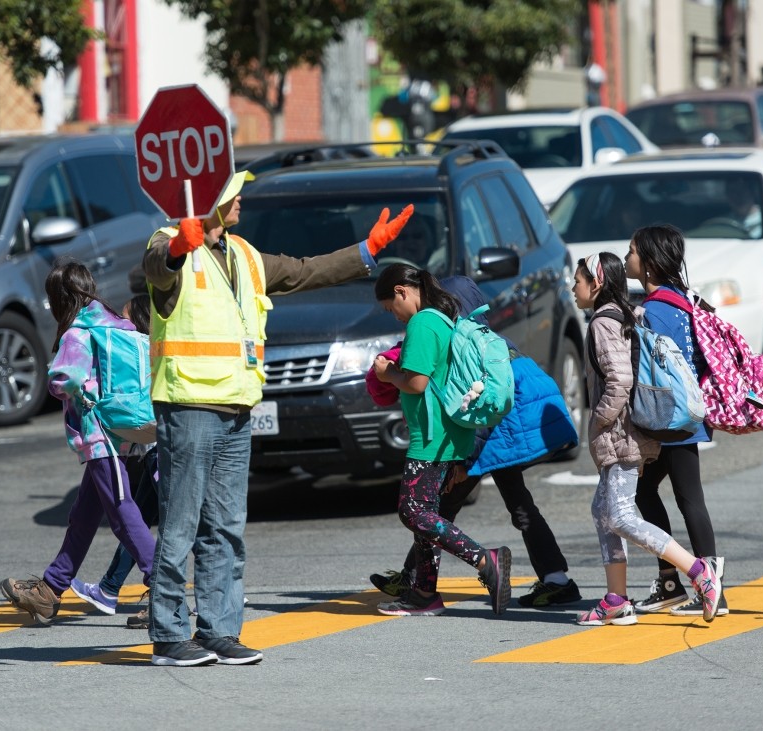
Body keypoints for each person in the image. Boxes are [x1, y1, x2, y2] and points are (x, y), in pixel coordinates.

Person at [143, 170, 414, 667]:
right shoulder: (168, 242)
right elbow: (160, 272)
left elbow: (307, 270)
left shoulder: (245, 255)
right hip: (188, 405)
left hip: (237, 406)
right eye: (233, 191)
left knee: (225, 527)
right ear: (212, 198)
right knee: (181, 526)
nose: (242, 198)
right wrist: (181, 247)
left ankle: (220, 631)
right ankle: (167, 636)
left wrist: (367, 251)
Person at [368, 276, 581, 612]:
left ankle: (420, 580)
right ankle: (556, 580)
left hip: (511, 417)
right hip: (528, 406)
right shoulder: (480, 337)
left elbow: (476, 414)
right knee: (482, 501)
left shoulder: (462, 344)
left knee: (448, 501)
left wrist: (464, 462)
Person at [0, 264, 157, 626]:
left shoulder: (78, 332)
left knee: (121, 511)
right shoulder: (117, 322)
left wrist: (55, 381)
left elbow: (67, 378)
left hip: (98, 435)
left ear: (60, 300)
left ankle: (163, 582)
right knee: (83, 516)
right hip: (120, 429)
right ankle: (51, 590)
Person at [573, 252, 721, 626]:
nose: (572, 287)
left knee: (620, 515)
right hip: (625, 434)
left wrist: (600, 421)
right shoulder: (625, 315)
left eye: (577, 280)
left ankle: (698, 571)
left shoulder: (602, 325)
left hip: (620, 436)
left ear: (597, 282)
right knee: (603, 511)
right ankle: (616, 600)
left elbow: (619, 380)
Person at [369, 265, 514, 618]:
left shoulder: (422, 323)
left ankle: (484, 559)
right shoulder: (443, 318)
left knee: (413, 511)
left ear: (402, 291)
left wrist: (386, 373)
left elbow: (416, 383)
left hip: (430, 435)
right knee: (428, 514)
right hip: (448, 432)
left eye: (391, 307)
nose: (394, 316)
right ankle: (423, 593)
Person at [624, 225, 727, 617]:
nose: (628, 256)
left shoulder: (651, 312)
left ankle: (709, 589)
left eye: (632, 252)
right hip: (687, 414)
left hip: (666, 418)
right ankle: (672, 583)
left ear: (648, 263)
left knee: (686, 499)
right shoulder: (687, 302)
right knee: (653, 493)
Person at [71, 293, 160, 629]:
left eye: (125, 319)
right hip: (152, 447)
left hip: (160, 447)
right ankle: (109, 588)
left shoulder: (140, 350)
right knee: (139, 517)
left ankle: (190, 589)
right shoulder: (138, 349)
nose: (119, 325)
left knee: (172, 522)